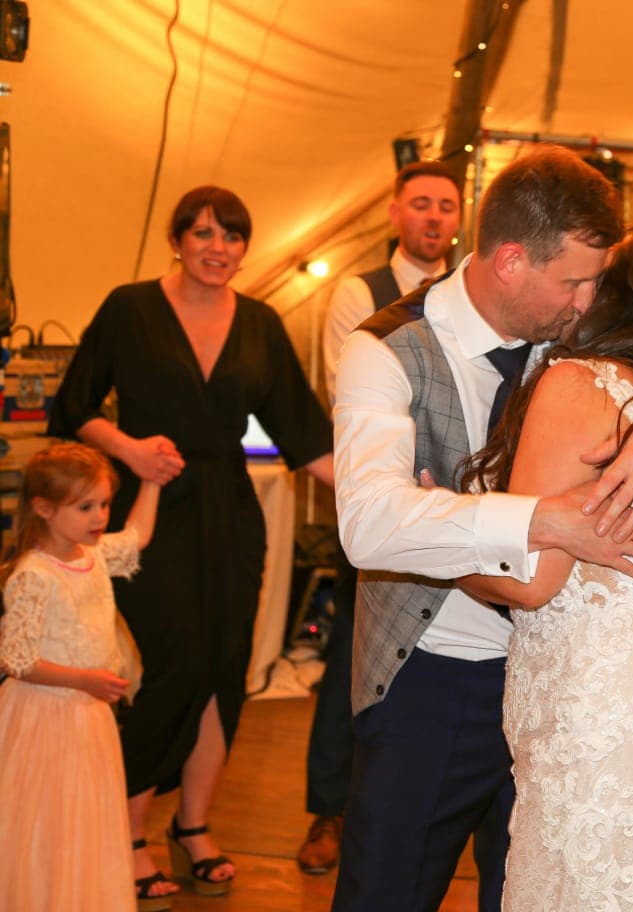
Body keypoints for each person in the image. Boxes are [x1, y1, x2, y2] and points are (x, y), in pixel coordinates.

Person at [330, 145, 633, 912]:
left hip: (568, 691)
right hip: (433, 674)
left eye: (597, 281)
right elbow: (369, 523)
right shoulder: (385, 349)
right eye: (574, 280)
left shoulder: (590, 350)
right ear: (510, 262)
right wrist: (547, 521)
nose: (588, 299)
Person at [48, 185, 335, 902]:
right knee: (165, 668)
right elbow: (72, 405)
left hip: (231, 514)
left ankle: (194, 825)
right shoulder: (130, 308)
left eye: (232, 236)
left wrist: (392, 499)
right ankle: (129, 830)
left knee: (223, 666)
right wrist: (130, 450)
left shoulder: (263, 323)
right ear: (176, 240)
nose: (218, 248)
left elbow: (303, 432)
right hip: (148, 510)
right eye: (203, 233)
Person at [455, 227, 633, 909]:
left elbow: (530, 580)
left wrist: (443, 550)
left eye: (593, 278)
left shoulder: (577, 385)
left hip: (601, 720)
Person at [297, 159, 463, 875]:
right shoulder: (357, 292)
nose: (434, 217)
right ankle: (328, 812)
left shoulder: (471, 293)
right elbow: (355, 394)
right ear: (395, 212)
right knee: (351, 660)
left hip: (464, 505)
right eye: (421, 204)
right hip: (384, 502)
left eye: (447, 207)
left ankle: (419, 814)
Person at [0, 444, 159, 912]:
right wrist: (85, 681)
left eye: (105, 503)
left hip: (87, 719)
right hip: (44, 719)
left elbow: (138, 537)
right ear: (45, 509)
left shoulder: (92, 554)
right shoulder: (34, 575)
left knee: (86, 819)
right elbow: (17, 659)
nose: (100, 516)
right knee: (48, 821)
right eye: (86, 506)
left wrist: (152, 478)